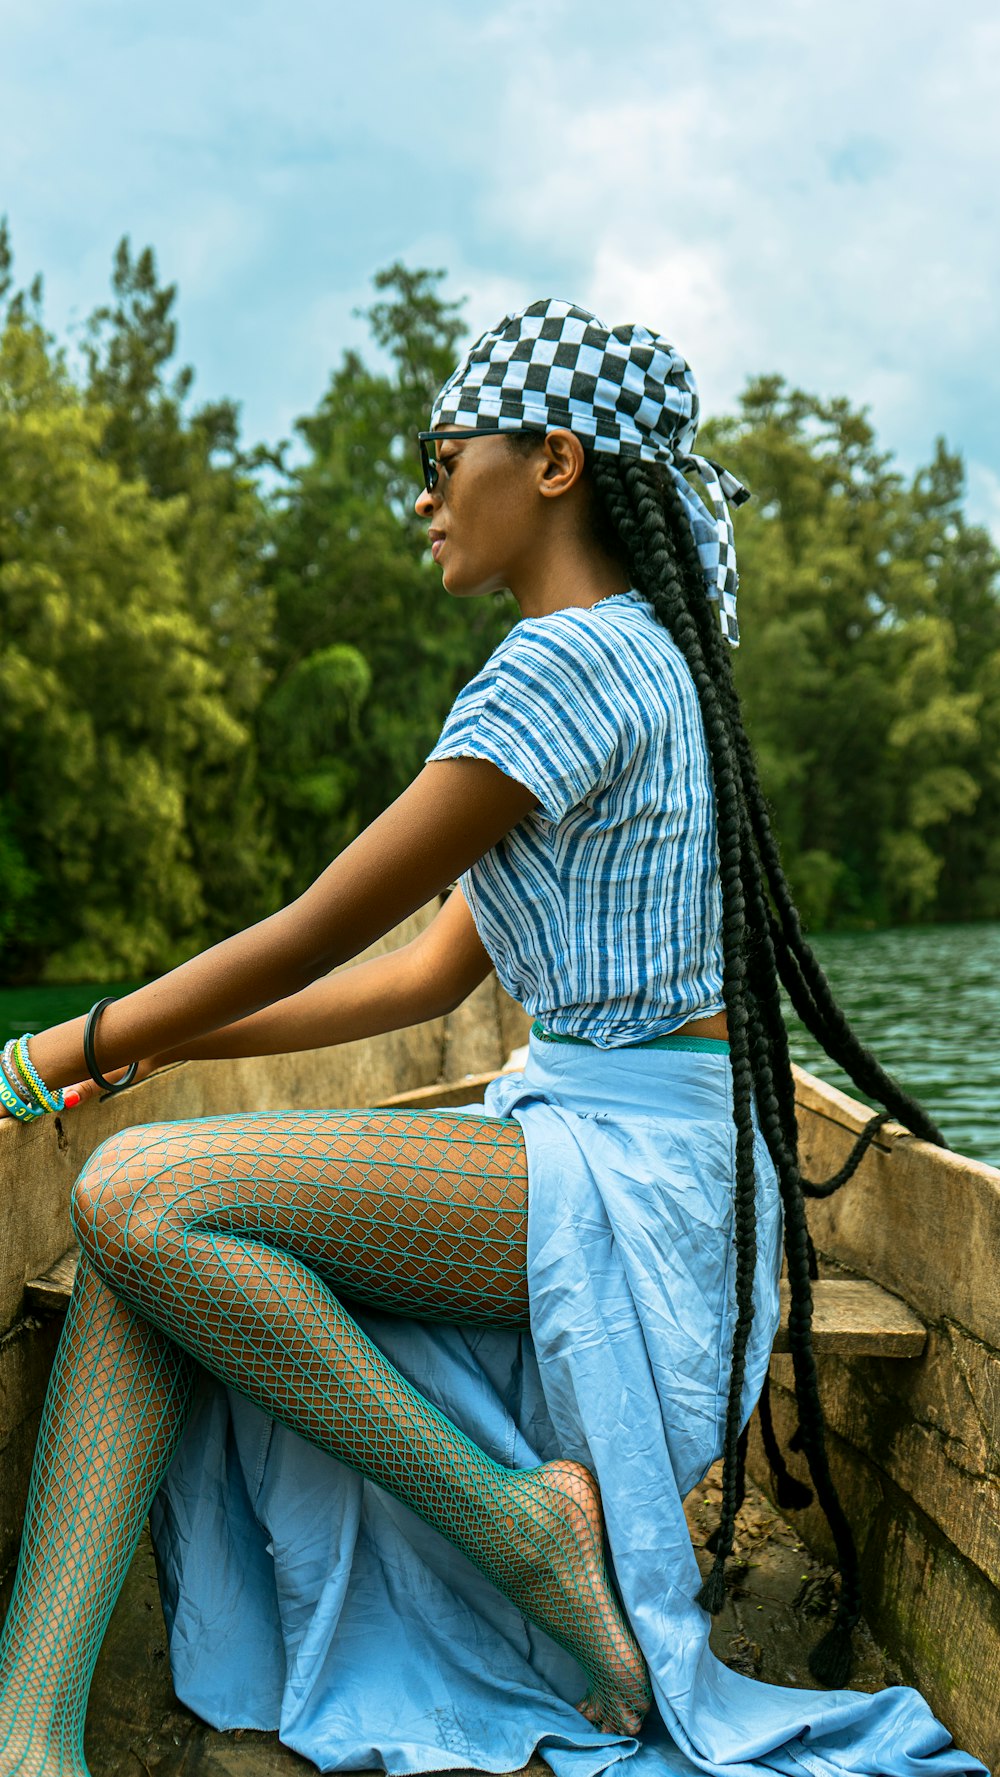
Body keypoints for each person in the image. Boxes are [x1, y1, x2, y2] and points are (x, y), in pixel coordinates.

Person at [0, 299, 985, 1777]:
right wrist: (168, 1044)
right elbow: (418, 978)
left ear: (555, 464)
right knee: (145, 1259)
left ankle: (524, 1532)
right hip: (652, 1177)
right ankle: (30, 1745)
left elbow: (326, 915)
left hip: (632, 1192)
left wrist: (64, 1048)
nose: (420, 491)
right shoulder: (645, 655)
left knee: (138, 1197)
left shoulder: (568, 666)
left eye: (439, 452)